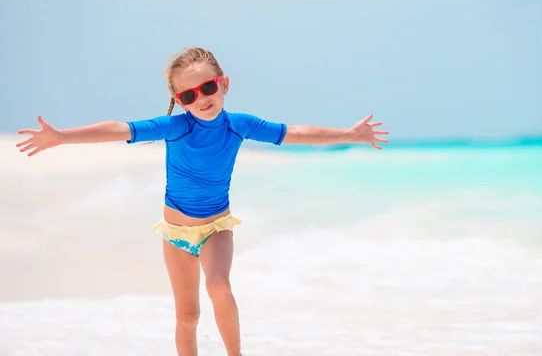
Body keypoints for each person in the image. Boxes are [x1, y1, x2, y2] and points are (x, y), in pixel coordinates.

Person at [15, 47, 389, 356]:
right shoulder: (177, 127)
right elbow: (120, 129)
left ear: (223, 84)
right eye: (188, 96)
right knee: (187, 316)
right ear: (178, 101)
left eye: (208, 87)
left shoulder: (238, 124)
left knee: (217, 285)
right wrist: (62, 136)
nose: (201, 99)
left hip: (215, 228)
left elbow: (294, 133)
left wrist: (350, 134)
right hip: (174, 232)